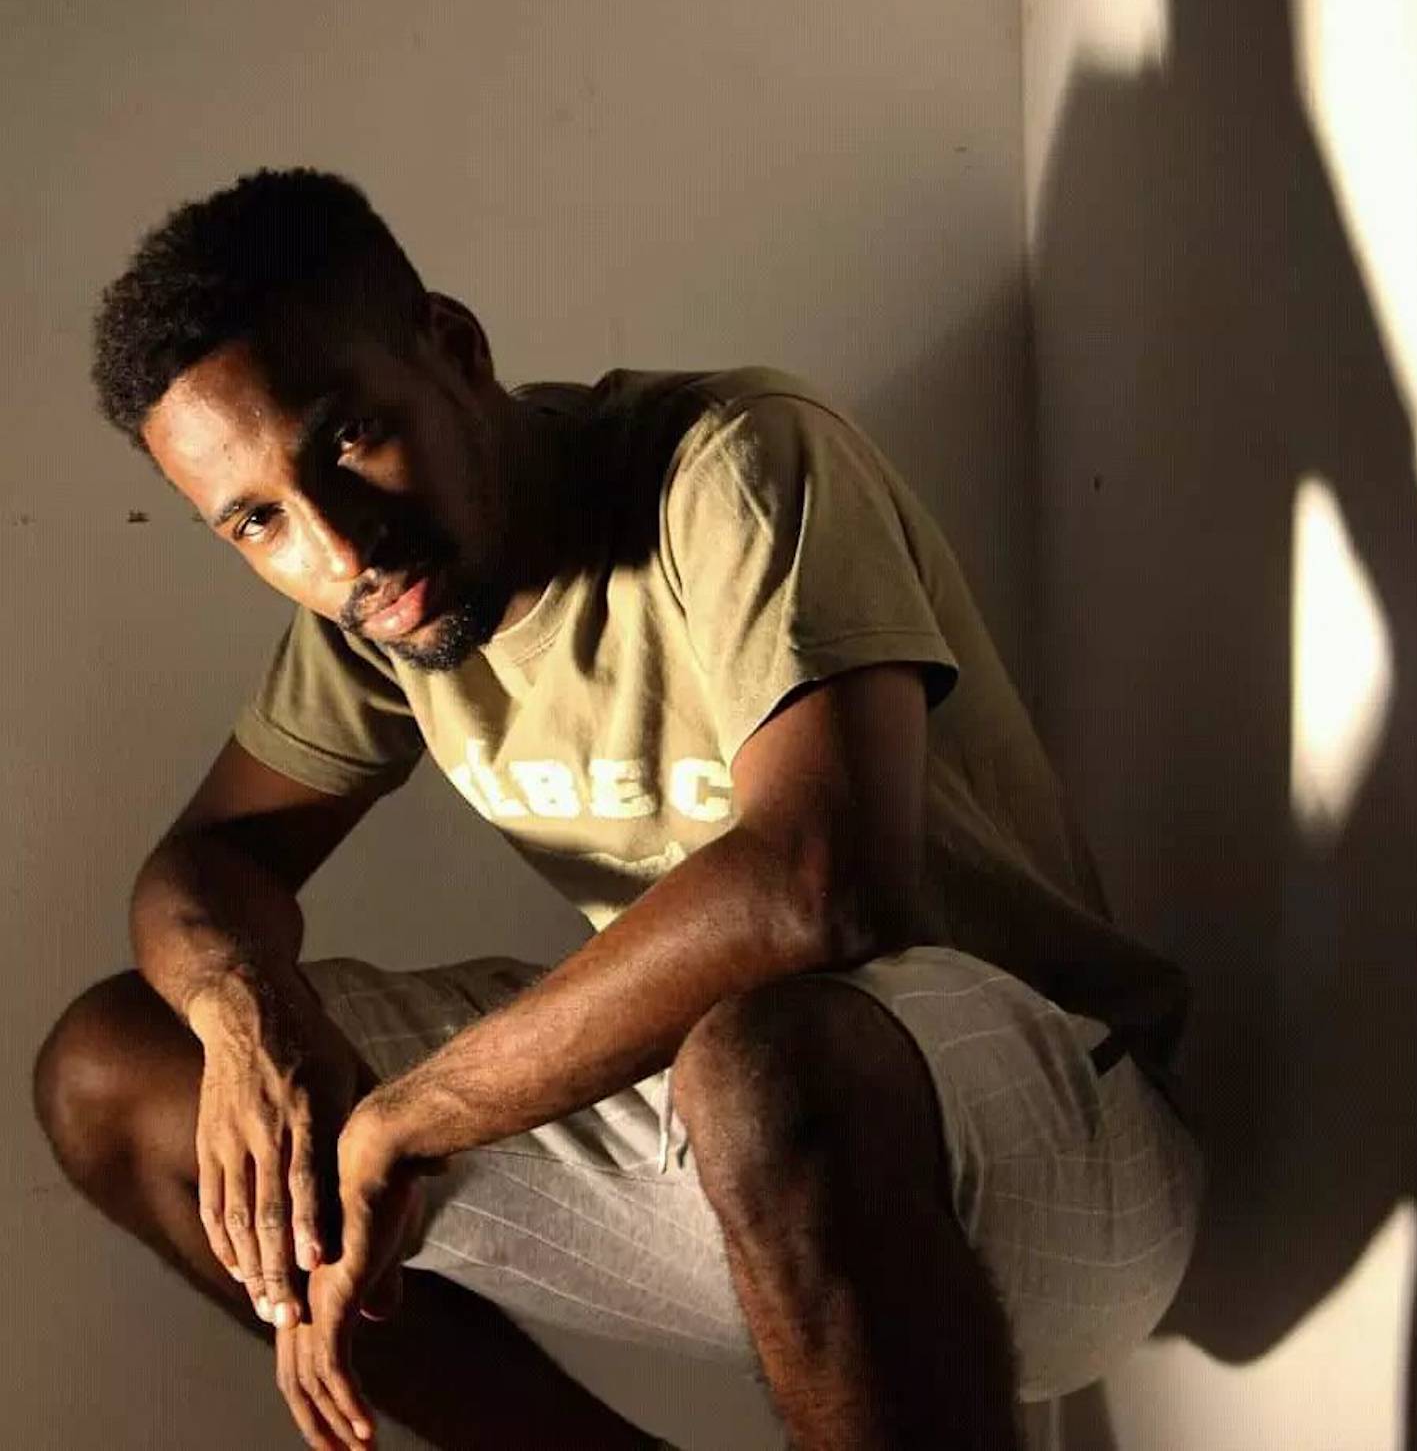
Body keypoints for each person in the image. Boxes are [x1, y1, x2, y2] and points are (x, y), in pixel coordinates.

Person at [32, 167, 1204, 1451]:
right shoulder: (382, 607)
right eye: (259, 522)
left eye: (351, 440)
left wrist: (407, 1116)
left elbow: (818, 883)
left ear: (453, 348)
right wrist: (245, 1022)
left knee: (762, 1055)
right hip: (741, 1132)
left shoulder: (732, 459)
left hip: (1057, 1150)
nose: (341, 548)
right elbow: (208, 862)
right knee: (118, 1068)